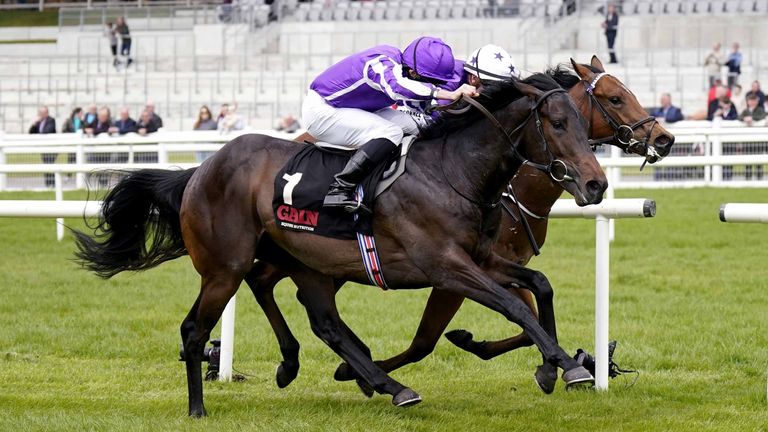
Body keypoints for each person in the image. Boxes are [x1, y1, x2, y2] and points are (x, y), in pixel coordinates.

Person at [302, 36, 475, 212]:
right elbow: (397, 88)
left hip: (353, 108)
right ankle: (339, 190)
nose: (431, 85)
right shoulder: (381, 62)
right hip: (322, 111)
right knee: (391, 132)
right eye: (430, 81)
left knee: (418, 125)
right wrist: (448, 94)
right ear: (414, 73)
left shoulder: (406, 66)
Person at [29, 106, 57, 187]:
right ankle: (48, 184)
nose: (40, 114)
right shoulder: (38, 122)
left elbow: (48, 131)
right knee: (46, 164)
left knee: (49, 164)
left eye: (41, 113)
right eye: (39, 113)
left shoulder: (51, 120)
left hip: (51, 148)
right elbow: (31, 132)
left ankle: (52, 183)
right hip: (43, 148)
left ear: (46, 113)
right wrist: (34, 123)